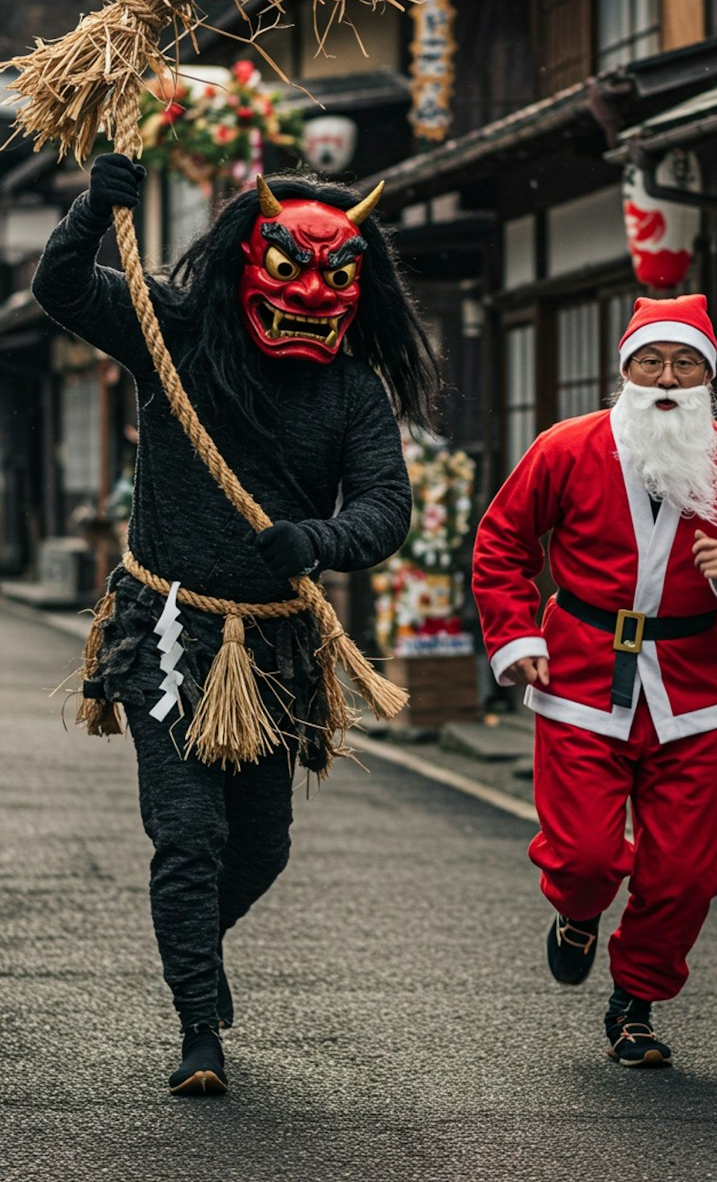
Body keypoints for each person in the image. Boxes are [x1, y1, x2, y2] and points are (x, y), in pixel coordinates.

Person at [33, 153, 438, 1095]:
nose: (308, 293)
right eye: (287, 268)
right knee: (188, 834)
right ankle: (197, 1028)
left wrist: (319, 538)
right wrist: (94, 208)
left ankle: (190, 943)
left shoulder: (353, 391)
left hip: (273, 648)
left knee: (261, 846)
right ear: (245, 260)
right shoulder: (176, 328)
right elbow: (58, 286)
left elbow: (387, 507)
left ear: (359, 283)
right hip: (168, 632)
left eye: (334, 276)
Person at [472, 294, 717, 1067]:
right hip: (582, 674)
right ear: (624, 368)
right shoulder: (567, 447)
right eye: (650, 360)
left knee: (689, 872)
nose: (666, 376)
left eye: (684, 362)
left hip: (690, 686)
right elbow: (502, 542)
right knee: (587, 856)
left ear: (706, 377)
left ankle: (636, 1001)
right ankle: (578, 913)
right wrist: (517, 635)